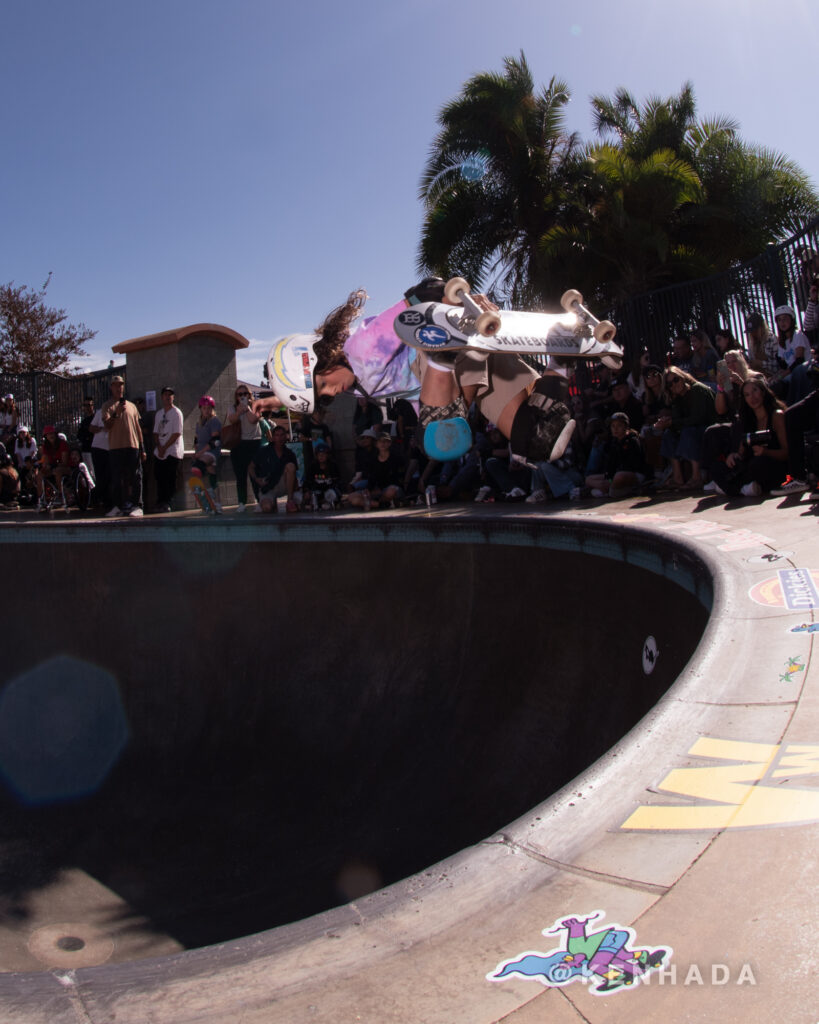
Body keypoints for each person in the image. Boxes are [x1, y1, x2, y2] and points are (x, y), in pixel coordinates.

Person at [262, 280, 581, 471]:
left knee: (436, 440)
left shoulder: (362, 346)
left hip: (443, 353)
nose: (332, 394)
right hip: (468, 364)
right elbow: (413, 394)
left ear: (321, 358)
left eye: (323, 388)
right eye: (324, 399)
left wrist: (456, 301)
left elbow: (422, 293)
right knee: (539, 441)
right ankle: (562, 356)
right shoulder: (357, 388)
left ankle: (442, 354)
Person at [709, 377, 788, 497]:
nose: (752, 397)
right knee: (717, 467)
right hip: (751, 467)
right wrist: (734, 456)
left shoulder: (776, 416)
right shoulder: (746, 420)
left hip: (773, 464)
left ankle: (734, 488)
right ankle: (744, 489)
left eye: (755, 391)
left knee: (757, 464)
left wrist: (766, 452)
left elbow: (786, 453)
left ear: (763, 391)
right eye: (747, 395)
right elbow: (741, 452)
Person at [658, 367, 717, 490]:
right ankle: (677, 477)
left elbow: (697, 418)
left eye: (676, 380)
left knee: (688, 432)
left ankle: (696, 477)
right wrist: (667, 422)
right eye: (670, 384)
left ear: (682, 377)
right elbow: (677, 419)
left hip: (709, 427)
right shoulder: (678, 398)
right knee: (669, 434)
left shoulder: (697, 390)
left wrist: (673, 422)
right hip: (693, 426)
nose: (674, 384)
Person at [101, 375, 144, 517]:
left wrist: (142, 448)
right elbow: (107, 426)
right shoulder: (107, 406)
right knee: (117, 478)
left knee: (135, 476)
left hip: (132, 446)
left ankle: (137, 505)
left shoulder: (132, 406)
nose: (118, 388)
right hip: (115, 447)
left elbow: (138, 428)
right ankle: (118, 506)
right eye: (115, 385)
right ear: (111, 388)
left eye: (121, 385)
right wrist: (116, 414)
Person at [585, 412, 651, 499]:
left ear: (626, 427)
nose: (615, 429)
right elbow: (611, 466)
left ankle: (610, 490)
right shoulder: (614, 443)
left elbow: (633, 465)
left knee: (618, 476)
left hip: (633, 474)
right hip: (616, 475)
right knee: (589, 479)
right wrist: (609, 479)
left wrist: (612, 477)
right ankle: (608, 489)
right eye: (613, 426)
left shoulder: (632, 441)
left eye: (619, 425)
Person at [225, 384, 262, 512]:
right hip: (238, 444)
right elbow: (232, 419)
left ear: (249, 394)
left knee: (255, 474)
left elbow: (254, 419)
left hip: (253, 443)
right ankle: (242, 502)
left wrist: (247, 409)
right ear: (236, 396)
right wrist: (239, 410)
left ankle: (259, 500)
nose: (242, 396)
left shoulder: (256, 405)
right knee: (240, 475)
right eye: (239, 394)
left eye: (245, 393)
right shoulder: (232, 407)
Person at [249, 425, 298, 512]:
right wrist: (257, 479)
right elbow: (251, 467)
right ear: (273, 437)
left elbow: (294, 474)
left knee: (290, 466)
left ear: (286, 436)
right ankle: (269, 502)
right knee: (267, 508)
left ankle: (289, 501)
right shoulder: (264, 451)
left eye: (282, 435)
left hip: (282, 483)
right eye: (277, 435)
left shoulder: (289, 454)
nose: (280, 438)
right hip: (268, 485)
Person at [769, 304, 811, 404]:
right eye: (779, 320)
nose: (782, 322)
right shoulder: (782, 342)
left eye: (785, 319)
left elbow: (799, 361)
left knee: (779, 386)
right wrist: (774, 377)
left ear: (791, 320)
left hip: (804, 372)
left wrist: (781, 376)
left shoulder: (797, 334)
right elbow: (784, 366)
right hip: (792, 374)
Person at [152, 386, 184, 513]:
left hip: (172, 449)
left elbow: (177, 433)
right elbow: (155, 432)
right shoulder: (159, 413)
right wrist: (159, 446)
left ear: (173, 397)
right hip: (160, 450)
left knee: (171, 478)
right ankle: (160, 501)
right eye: (165, 394)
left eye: (170, 395)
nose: (167, 397)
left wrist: (165, 447)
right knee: (160, 477)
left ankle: (169, 502)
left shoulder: (177, 413)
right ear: (162, 397)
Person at [192, 395, 223, 512]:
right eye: (204, 408)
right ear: (200, 409)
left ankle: (204, 490)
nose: (207, 411)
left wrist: (200, 453)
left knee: (197, 467)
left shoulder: (214, 421)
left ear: (212, 409)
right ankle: (217, 502)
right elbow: (196, 439)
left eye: (209, 408)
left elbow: (214, 441)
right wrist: (196, 451)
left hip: (211, 452)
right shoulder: (199, 423)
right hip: (201, 452)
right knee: (211, 473)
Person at [35, 426, 70, 510]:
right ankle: (41, 498)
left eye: (52, 433)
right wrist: (44, 466)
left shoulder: (62, 444)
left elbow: (64, 462)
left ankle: (61, 494)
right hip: (52, 467)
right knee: (39, 474)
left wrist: (53, 465)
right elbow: (45, 460)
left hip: (65, 468)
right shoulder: (45, 446)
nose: (51, 436)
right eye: (48, 434)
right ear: (45, 436)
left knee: (57, 471)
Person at [77, 396, 96, 474]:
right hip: (86, 449)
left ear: (93, 406)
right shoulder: (84, 421)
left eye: (89, 405)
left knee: (95, 471)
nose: (87, 408)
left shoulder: (96, 418)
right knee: (89, 472)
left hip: (94, 449)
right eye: (85, 405)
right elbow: (80, 435)